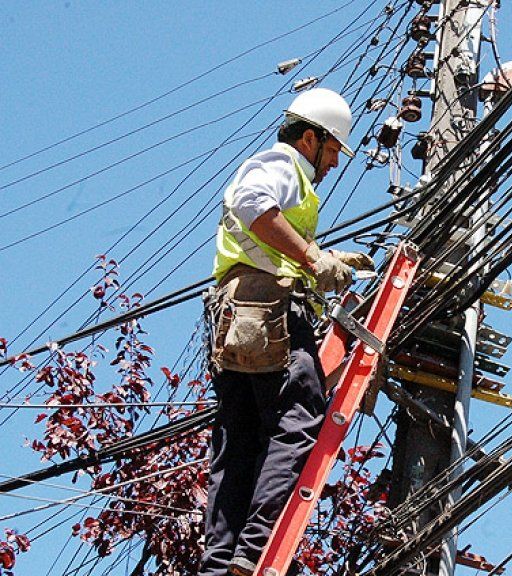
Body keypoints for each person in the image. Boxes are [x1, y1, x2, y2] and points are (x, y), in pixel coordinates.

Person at [199, 88, 374, 576]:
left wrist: (324, 259)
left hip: (237, 320)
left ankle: (220, 562)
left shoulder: (289, 177)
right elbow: (251, 203)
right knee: (298, 418)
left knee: (239, 441)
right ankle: (256, 548)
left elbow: (267, 244)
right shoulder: (282, 165)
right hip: (268, 313)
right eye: (333, 149)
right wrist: (313, 258)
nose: (335, 163)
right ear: (310, 138)